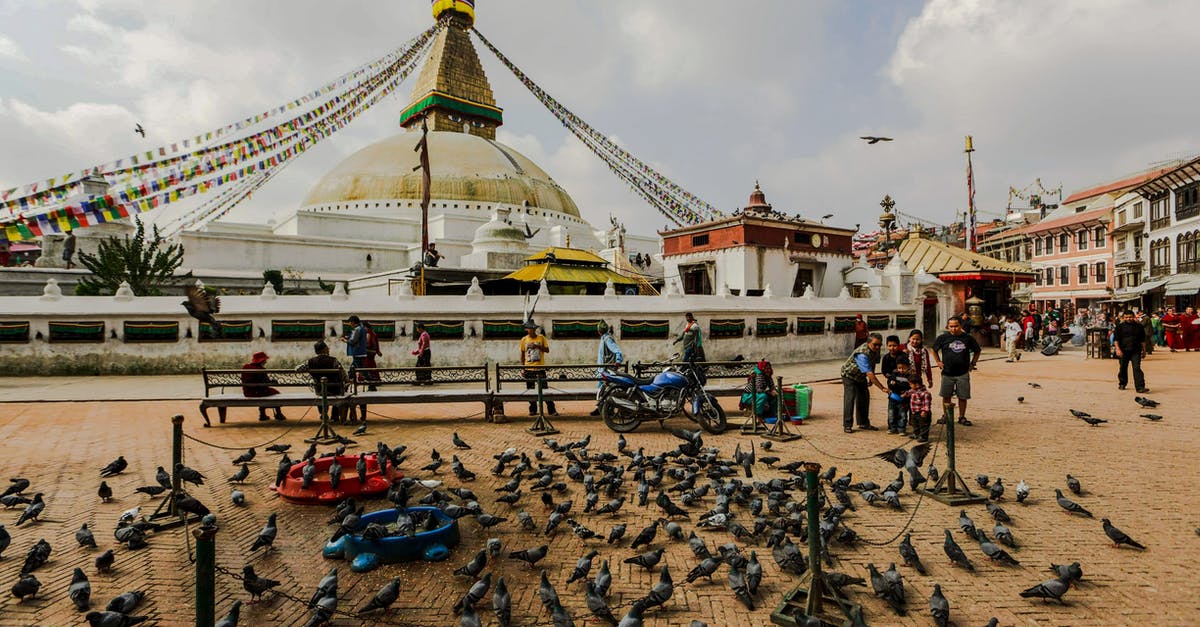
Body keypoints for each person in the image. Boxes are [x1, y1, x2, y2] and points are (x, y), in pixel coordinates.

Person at [931, 317, 981, 426]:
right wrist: (938, 362)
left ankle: (962, 417)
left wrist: (973, 364)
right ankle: (946, 416)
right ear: (948, 327)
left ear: (960, 326)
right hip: (947, 373)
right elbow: (934, 349)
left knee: (962, 396)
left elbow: (977, 351)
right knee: (946, 396)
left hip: (962, 373)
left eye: (956, 326)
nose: (954, 328)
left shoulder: (968, 338)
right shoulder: (943, 338)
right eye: (951, 326)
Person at [839, 332, 887, 434]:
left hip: (860, 376)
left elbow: (873, 363)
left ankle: (863, 423)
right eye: (875, 344)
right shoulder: (862, 354)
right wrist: (882, 388)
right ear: (868, 343)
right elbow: (869, 373)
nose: (878, 347)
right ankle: (847, 425)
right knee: (850, 398)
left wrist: (871, 380)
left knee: (864, 397)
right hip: (849, 375)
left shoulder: (875, 350)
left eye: (880, 344)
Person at [296, 341, 349, 423]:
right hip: (334, 390)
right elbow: (343, 374)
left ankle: (323, 413)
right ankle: (334, 416)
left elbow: (297, 369)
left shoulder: (310, 361)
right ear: (324, 349)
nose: (329, 349)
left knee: (319, 393)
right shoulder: (334, 360)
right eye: (327, 347)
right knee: (342, 389)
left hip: (319, 390)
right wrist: (347, 380)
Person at [520, 319, 557, 416]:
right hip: (529, 368)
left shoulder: (541, 338)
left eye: (531, 328)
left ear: (534, 329)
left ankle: (551, 409)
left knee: (545, 390)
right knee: (530, 390)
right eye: (528, 329)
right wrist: (523, 368)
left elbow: (547, 350)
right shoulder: (524, 340)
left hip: (540, 368)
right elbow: (522, 354)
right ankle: (533, 409)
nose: (529, 330)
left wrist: (537, 346)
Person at [241, 351, 286, 421]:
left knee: (264, 392)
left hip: (247, 392)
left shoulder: (245, 367)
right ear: (261, 360)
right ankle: (278, 413)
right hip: (257, 392)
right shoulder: (261, 370)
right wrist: (274, 382)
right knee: (276, 393)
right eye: (265, 360)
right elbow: (266, 383)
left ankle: (262, 414)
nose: (266, 362)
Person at [590, 321, 623, 416]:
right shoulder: (604, 338)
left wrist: (618, 360)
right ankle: (600, 407)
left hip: (606, 369)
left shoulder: (607, 339)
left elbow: (617, 350)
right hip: (602, 369)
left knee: (607, 389)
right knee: (602, 389)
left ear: (599, 331)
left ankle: (606, 408)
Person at [1112, 310, 1148, 393]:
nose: (1128, 319)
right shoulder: (1119, 327)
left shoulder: (1139, 326)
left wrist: (1144, 351)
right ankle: (1122, 383)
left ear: (1134, 317)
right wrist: (1117, 349)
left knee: (1137, 368)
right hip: (1123, 350)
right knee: (1123, 368)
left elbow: (1143, 340)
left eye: (1130, 317)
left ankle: (1140, 387)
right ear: (1123, 318)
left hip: (1136, 350)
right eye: (1126, 317)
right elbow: (1116, 339)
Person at [886, 357, 911, 435]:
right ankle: (892, 428)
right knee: (891, 413)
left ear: (908, 367)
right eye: (899, 368)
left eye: (904, 368)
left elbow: (910, 386)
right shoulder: (894, 374)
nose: (901, 370)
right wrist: (891, 385)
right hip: (893, 398)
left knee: (902, 414)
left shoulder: (910, 376)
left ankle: (901, 429)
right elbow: (890, 384)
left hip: (904, 399)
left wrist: (897, 385)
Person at [907, 374, 933, 442]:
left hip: (921, 413)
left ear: (917, 385)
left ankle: (924, 437)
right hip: (914, 411)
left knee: (923, 425)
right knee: (915, 424)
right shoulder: (913, 391)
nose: (910, 386)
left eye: (911, 384)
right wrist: (904, 394)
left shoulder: (925, 393)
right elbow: (908, 392)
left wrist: (924, 411)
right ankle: (916, 434)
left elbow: (926, 404)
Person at [361, 321, 382, 391]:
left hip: (368, 352)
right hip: (372, 353)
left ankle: (371, 381)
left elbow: (368, 344)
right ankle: (374, 380)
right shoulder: (372, 333)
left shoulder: (369, 333)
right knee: (372, 365)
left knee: (368, 366)